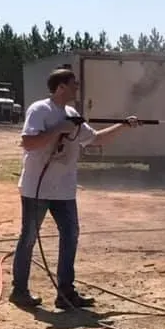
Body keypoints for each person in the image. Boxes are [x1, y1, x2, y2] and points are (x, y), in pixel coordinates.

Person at [9, 65, 140, 310]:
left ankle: (65, 293)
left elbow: (96, 139)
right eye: (73, 84)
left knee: (70, 236)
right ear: (60, 87)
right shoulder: (40, 110)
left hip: (64, 190)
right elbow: (28, 142)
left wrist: (124, 125)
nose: (77, 87)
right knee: (28, 238)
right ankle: (19, 291)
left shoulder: (72, 112)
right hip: (37, 187)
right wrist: (58, 129)